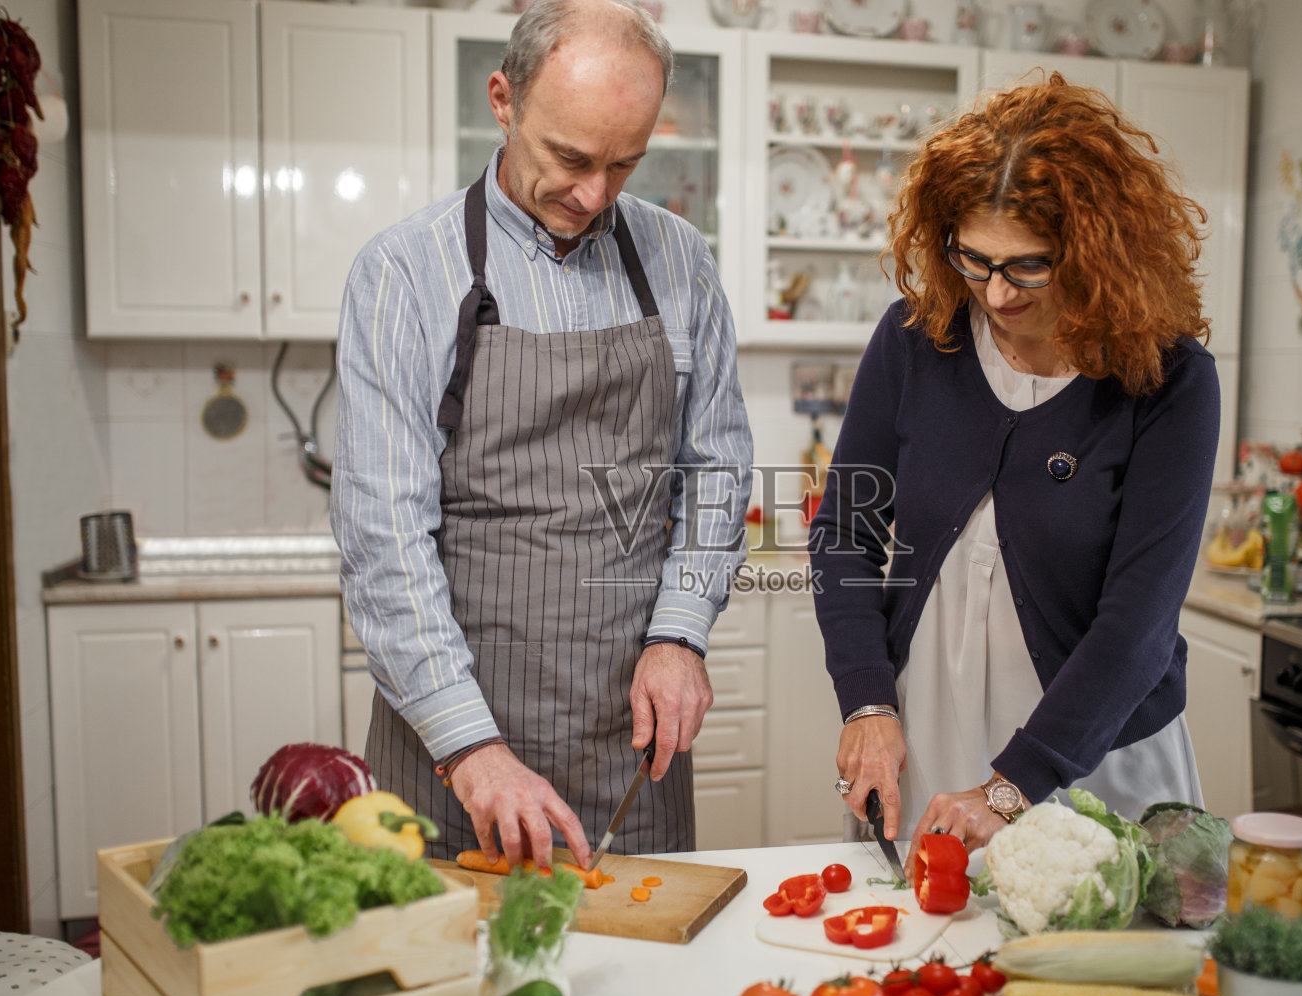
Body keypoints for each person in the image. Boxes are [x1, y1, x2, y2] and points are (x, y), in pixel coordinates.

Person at [332, 0, 751, 870]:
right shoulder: (404, 273)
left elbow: (716, 468)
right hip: (455, 759)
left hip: (629, 755)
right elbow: (384, 535)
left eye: (623, 164)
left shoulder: (681, 260)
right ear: (504, 100)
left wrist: (681, 633)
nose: (594, 195)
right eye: (570, 157)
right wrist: (471, 750)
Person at [808, 74, 1220, 866]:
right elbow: (844, 533)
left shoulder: (1168, 379)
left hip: (1094, 755)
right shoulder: (916, 340)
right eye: (974, 258)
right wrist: (865, 699)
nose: (995, 293)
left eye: (1029, 266)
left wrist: (1012, 786)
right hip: (930, 733)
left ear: (1097, 250)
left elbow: (1137, 626)